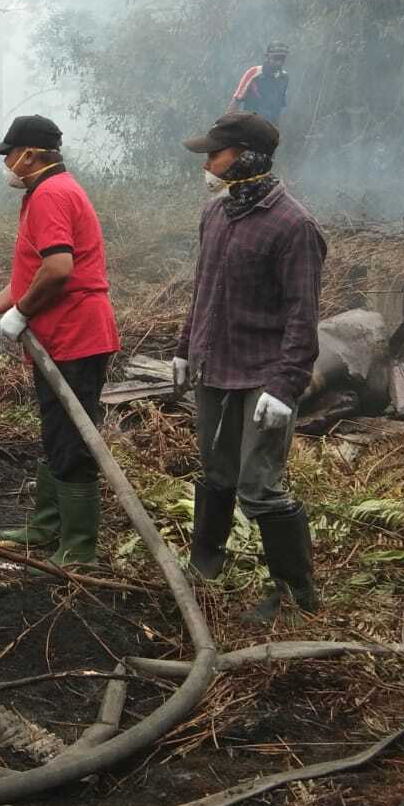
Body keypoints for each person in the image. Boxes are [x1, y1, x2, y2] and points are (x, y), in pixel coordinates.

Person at [172, 112, 326, 620]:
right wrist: (181, 348)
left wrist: (285, 389)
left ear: (246, 158)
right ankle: (205, 568)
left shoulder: (294, 227)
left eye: (215, 153)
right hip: (213, 370)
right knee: (216, 475)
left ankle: (294, 596)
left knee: (259, 487)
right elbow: (203, 290)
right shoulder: (214, 214)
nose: (207, 162)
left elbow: (303, 319)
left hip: (262, 379)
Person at [0, 115, 121, 566]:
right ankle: (48, 525)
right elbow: (30, 274)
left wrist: (22, 313)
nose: (5, 163)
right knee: (56, 432)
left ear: (29, 154)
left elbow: (59, 270)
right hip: (56, 337)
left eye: (8, 154)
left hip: (77, 334)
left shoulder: (51, 194)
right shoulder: (42, 194)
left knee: (73, 437)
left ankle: (79, 548)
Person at [228, 41, 290, 124]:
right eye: (275, 58)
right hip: (249, 125)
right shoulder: (253, 73)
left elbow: (279, 107)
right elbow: (236, 100)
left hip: (269, 128)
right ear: (267, 57)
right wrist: (226, 125)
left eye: (282, 59)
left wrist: (276, 131)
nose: (279, 62)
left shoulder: (284, 78)